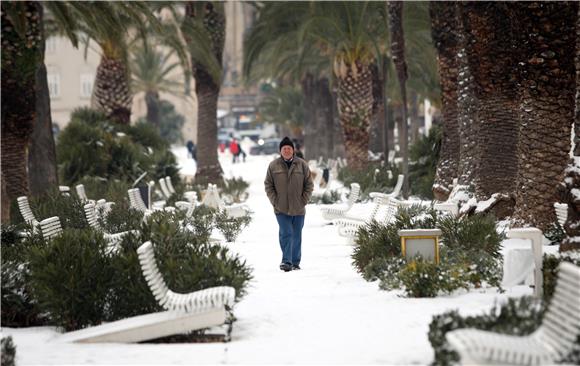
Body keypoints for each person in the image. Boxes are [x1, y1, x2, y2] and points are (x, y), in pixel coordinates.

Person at [264, 136, 314, 272]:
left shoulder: (302, 164)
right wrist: (275, 201)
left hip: (298, 208)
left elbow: (309, 185)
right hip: (281, 208)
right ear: (281, 150)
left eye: (289, 148)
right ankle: (286, 261)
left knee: (296, 234)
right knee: (286, 233)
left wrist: (303, 200)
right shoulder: (273, 165)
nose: (286, 151)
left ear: (293, 150)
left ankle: (295, 262)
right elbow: (268, 185)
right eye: (284, 148)